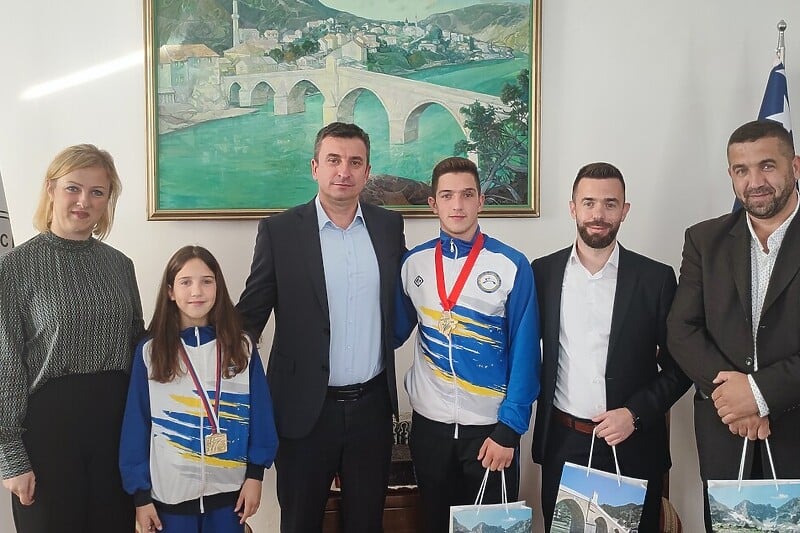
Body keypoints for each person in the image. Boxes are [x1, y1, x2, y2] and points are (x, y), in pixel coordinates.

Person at [236, 122, 406, 532]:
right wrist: (187, 345)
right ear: (315, 167)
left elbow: (407, 299)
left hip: (372, 409)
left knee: (366, 524)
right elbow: (251, 314)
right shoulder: (279, 231)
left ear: (367, 172)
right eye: (333, 160)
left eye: (355, 162)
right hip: (303, 411)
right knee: (300, 523)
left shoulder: (388, 226)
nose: (343, 171)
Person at [531, 162, 691, 533]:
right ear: (573, 208)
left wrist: (634, 413)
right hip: (563, 443)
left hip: (633, 442)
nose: (598, 214)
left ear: (625, 210)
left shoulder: (655, 279)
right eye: (588, 203)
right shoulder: (543, 272)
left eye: (610, 203)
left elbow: (681, 367)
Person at [0, 144, 144, 532]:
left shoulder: (120, 265)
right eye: (73, 188)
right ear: (51, 189)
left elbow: (139, 346)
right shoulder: (14, 267)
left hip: (115, 429)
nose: (84, 201)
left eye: (97, 192)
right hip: (48, 432)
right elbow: (5, 361)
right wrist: (10, 456)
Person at [393, 156, 540, 532]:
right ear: (433, 203)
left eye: (466, 194)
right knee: (435, 525)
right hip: (430, 430)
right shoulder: (414, 264)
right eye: (447, 195)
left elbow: (526, 354)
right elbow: (390, 333)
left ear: (481, 200)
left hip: (490, 432)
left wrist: (509, 430)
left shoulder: (511, 265)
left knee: (490, 529)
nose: (457, 204)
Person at [667, 119, 800, 532]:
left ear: (795, 166)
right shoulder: (704, 240)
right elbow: (681, 329)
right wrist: (733, 398)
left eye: (767, 166)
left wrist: (758, 394)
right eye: (741, 170)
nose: (754, 182)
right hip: (726, 431)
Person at [120, 245, 278, 533]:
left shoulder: (241, 347)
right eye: (185, 282)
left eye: (206, 281)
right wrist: (141, 497)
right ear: (170, 291)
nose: (197, 291)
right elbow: (136, 425)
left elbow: (261, 416)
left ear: (218, 288)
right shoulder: (150, 352)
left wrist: (256, 475)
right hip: (170, 500)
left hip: (230, 497)